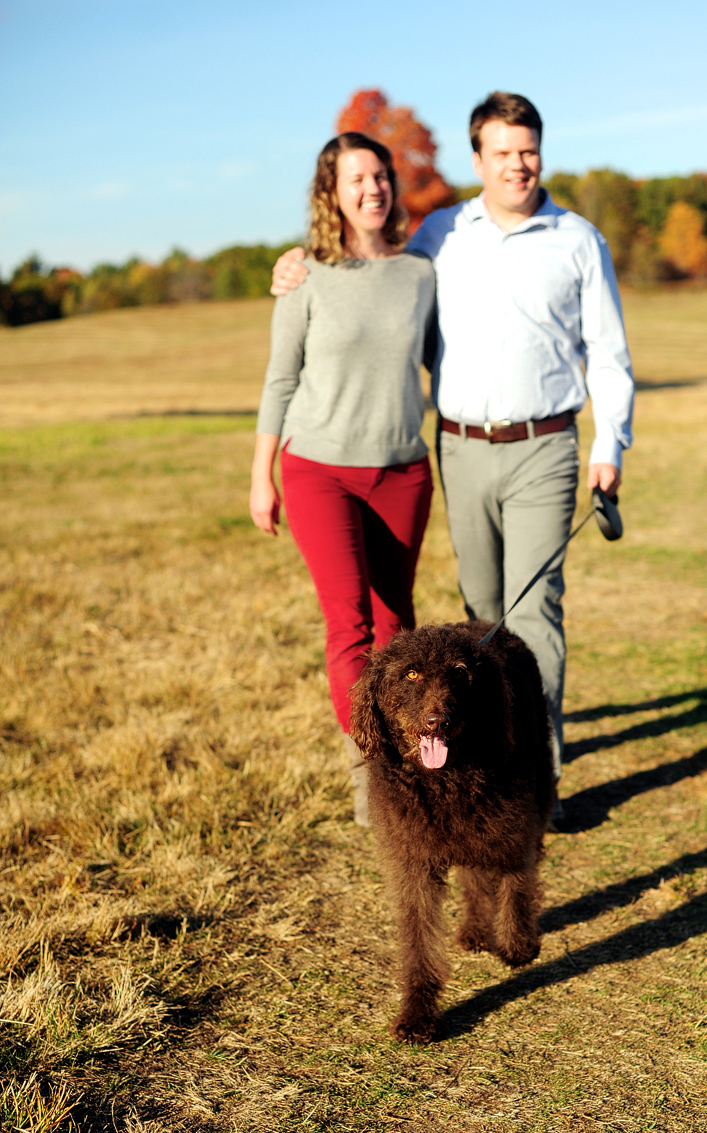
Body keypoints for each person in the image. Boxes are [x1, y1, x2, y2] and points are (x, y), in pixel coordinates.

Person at [271, 94, 634, 828]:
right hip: (461, 448)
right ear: (478, 161)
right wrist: (294, 264)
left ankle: (537, 779)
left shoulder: (576, 239)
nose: (517, 165)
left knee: (533, 620)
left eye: (527, 150)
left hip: (547, 444)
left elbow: (611, 353)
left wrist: (609, 443)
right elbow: (366, 281)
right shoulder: (442, 234)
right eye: (501, 153)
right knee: (482, 625)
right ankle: (480, 765)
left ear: (541, 153)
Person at [252, 132, 435, 826]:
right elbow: (279, 380)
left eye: (381, 174)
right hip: (318, 469)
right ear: (332, 192)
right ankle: (372, 763)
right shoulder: (306, 277)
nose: (372, 188)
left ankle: (416, 750)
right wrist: (259, 474)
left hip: (401, 470)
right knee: (350, 627)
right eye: (355, 178)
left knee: (398, 625)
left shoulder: (422, 274)